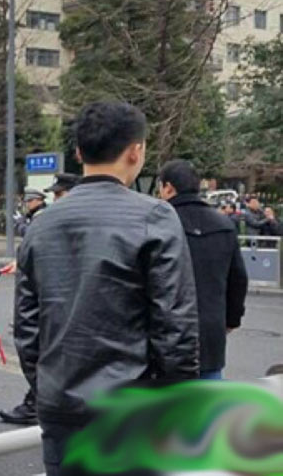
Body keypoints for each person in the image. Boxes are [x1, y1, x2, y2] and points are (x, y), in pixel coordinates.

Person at [15, 101, 199, 476]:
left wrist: (47, 386)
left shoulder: (42, 224)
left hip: (61, 407)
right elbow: (175, 326)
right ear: (136, 151)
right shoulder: (155, 216)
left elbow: (27, 326)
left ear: (79, 152)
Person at [0, 173, 79, 426]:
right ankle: (35, 399)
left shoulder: (62, 222)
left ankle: (38, 400)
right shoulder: (59, 220)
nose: (55, 199)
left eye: (59, 194)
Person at [159, 160, 248, 380]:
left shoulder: (158, 223)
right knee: (208, 402)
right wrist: (231, 319)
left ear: (168, 187)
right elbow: (238, 278)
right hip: (210, 333)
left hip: (166, 336)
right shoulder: (224, 224)